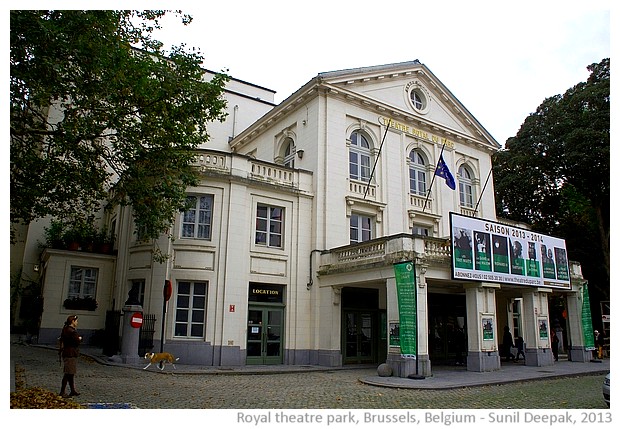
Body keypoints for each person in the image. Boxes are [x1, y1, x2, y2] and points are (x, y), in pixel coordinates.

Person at [59, 315, 82, 397]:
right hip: (70, 353)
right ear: (73, 321)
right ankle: (62, 392)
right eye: (76, 321)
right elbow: (77, 341)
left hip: (67, 352)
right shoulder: (72, 331)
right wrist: (79, 339)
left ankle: (72, 390)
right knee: (68, 373)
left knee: (70, 373)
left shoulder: (65, 329)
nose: (77, 322)